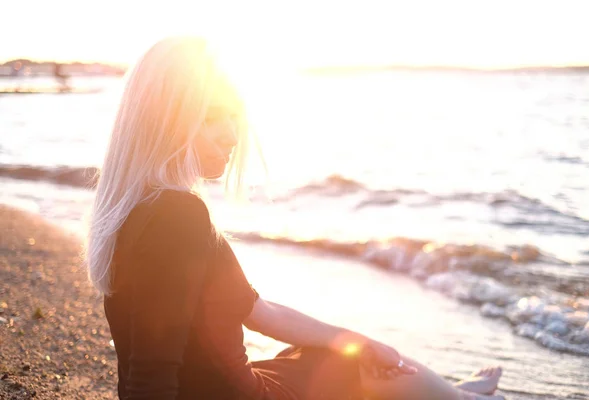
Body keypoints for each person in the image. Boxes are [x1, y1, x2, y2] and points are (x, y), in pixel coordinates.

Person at [84, 36, 505, 400]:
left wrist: (362, 341)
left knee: (338, 354)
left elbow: (263, 313)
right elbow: (151, 377)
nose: (232, 134)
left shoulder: (134, 209)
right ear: (165, 117)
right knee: (354, 367)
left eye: (233, 114)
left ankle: (453, 392)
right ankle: (460, 396)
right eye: (211, 116)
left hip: (230, 386)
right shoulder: (178, 217)